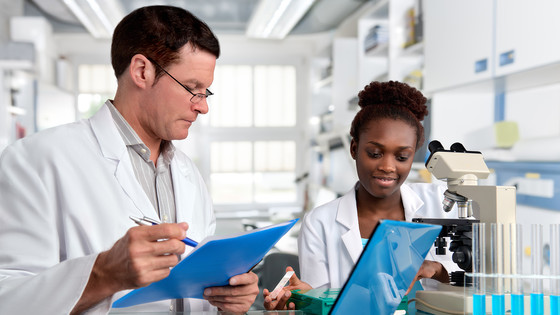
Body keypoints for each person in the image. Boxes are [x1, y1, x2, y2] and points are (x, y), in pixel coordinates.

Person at [0, 6, 258, 314]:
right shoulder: (36, 160)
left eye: (206, 92)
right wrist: (103, 274)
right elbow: (8, 298)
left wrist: (226, 301)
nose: (203, 108)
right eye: (192, 89)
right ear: (141, 71)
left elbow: (193, 293)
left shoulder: (187, 172)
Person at [263, 81, 458, 310]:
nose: (387, 166)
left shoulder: (442, 202)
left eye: (402, 157)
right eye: (375, 153)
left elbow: (481, 274)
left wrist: (434, 268)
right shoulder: (319, 223)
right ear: (354, 148)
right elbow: (321, 304)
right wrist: (306, 299)